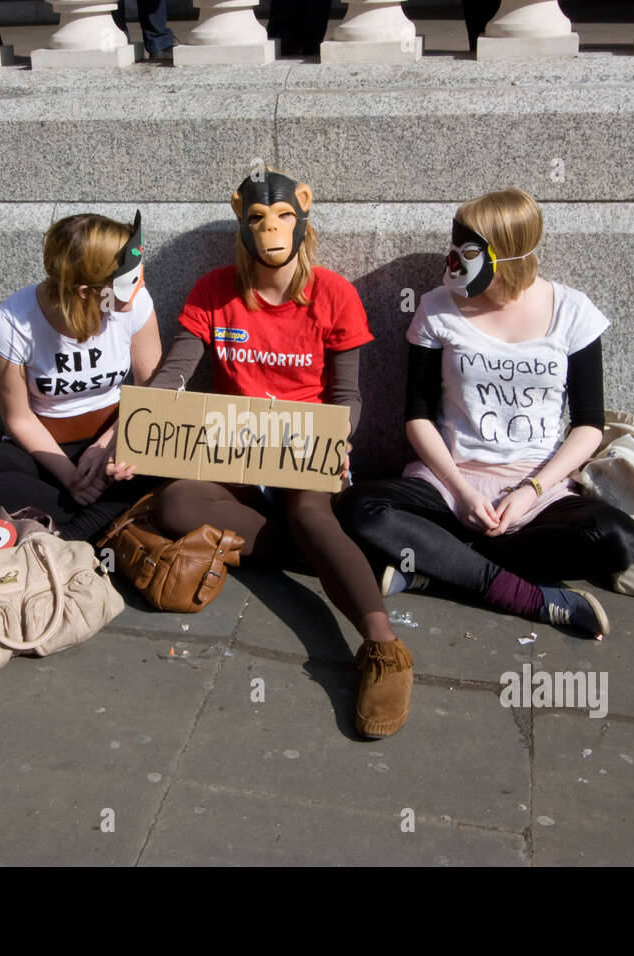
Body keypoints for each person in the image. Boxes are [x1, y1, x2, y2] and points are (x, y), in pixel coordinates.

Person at [141, 169, 414, 740]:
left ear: (304, 214)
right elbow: (174, 374)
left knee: (311, 513)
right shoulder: (213, 289)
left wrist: (338, 439)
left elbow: (348, 396)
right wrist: (136, 427)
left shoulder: (334, 292)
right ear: (242, 220)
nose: (272, 230)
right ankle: (340, 561)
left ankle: (383, 648)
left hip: (303, 444)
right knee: (175, 505)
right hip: (232, 446)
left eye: (284, 216)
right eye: (259, 219)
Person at [337, 188, 634, 638]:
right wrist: (460, 493)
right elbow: (416, 416)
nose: (453, 262)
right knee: (358, 507)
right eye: (453, 247)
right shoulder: (436, 307)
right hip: (447, 483)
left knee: (619, 540)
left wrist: (530, 491)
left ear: (506, 256)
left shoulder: (573, 313)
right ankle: (523, 594)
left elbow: (588, 425)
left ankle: (432, 563)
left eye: (468, 252)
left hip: (538, 492)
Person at [0, 212, 163, 542]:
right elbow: (18, 420)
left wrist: (111, 444)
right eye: (129, 280)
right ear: (88, 291)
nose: (140, 284)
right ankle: (106, 521)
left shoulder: (136, 304)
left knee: (170, 465)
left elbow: (152, 394)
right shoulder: (13, 320)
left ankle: (65, 531)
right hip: (48, 451)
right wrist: (73, 479)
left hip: (117, 437)